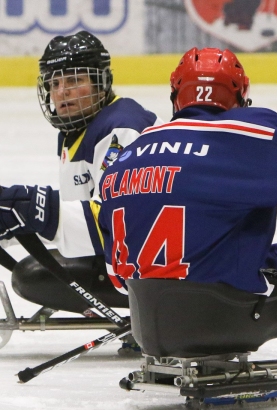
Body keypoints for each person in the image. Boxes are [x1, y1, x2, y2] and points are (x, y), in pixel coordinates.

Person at [1, 47, 277, 377]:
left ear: (176, 97)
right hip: (224, 318)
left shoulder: (133, 150)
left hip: (147, 321)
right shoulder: (246, 132)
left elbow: (116, 268)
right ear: (240, 96)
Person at [1, 30, 164, 355]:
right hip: (130, 257)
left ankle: (152, 314)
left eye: (75, 80)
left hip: (158, 266)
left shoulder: (120, 130)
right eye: (55, 83)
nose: (63, 92)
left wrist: (30, 208)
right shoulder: (80, 127)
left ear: (102, 81)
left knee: (31, 276)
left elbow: (121, 223)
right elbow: (82, 216)